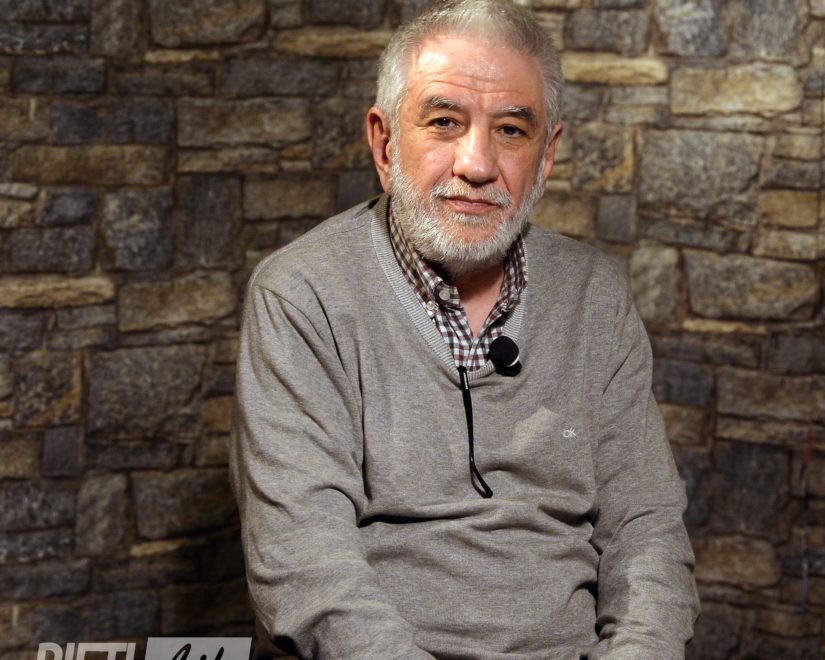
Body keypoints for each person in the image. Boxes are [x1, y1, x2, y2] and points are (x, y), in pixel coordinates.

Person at [229, 0, 699, 657]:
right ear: (385, 143)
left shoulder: (595, 296)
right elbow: (303, 563)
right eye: (444, 122)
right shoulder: (302, 295)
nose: (477, 164)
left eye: (510, 130)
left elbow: (647, 532)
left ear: (547, 156)